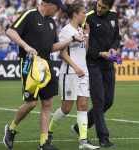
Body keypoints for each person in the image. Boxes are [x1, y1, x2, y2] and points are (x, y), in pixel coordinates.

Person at [3, 0, 85, 150]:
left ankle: (43, 143)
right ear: (50, 5)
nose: (58, 11)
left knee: (48, 103)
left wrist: (72, 39)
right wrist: (26, 46)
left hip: (46, 64)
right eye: (57, 8)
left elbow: (52, 47)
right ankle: (11, 128)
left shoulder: (51, 23)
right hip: (30, 64)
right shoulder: (30, 15)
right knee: (31, 103)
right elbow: (10, 31)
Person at [48, 3, 100, 150]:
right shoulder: (66, 31)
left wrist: (87, 35)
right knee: (66, 108)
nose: (86, 15)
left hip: (83, 72)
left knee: (83, 105)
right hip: (70, 73)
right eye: (84, 12)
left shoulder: (80, 30)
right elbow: (62, 53)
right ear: (76, 14)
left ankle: (83, 141)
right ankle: (49, 132)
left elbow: (85, 51)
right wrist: (76, 67)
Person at [72, 0, 121, 148]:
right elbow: (83, 45)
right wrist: (100, 53)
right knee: (99, 101)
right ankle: (103, 137)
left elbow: (117, 37)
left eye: (103, 8)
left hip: (108, 63)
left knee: (108, 101)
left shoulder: (113, 16)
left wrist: (113, 48)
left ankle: (78, 127)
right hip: (92, 63)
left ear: (110, 8)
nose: (99, 9)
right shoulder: (88, 18)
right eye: (98, 5)